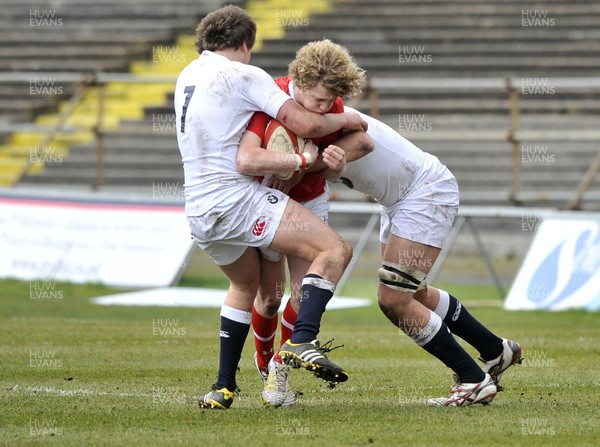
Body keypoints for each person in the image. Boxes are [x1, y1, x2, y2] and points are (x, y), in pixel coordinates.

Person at [174, 5, 368, 410]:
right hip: (237, 198)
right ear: (245, 44)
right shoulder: (245, 75)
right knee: (334, 251)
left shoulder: (187, 74)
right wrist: (347, 122)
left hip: (198, 208)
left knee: (247, 287)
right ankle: (301, 342)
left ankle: (224, 386)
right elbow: (308, 128)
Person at [322, 107, 523, 406]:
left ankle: (472, 379)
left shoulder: (308, 111)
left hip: (422, 192)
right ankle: (495, 349)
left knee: (393, 299)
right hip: (398, 200)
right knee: (413, 295)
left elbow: (361, 141)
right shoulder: (303, 109)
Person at [238, 39, 373, 407]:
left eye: (332, 102)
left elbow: (361, 140)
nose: (326, 108)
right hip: (267, 202)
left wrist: (336, 161)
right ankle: (263, 358)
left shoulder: (335, 105)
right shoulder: (269, 96)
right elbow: (247, 156)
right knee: (269, 298)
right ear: (297, 81)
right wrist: (289, 162)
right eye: (318, 100)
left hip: (309, 202)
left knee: (303, 294)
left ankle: (280, 366)